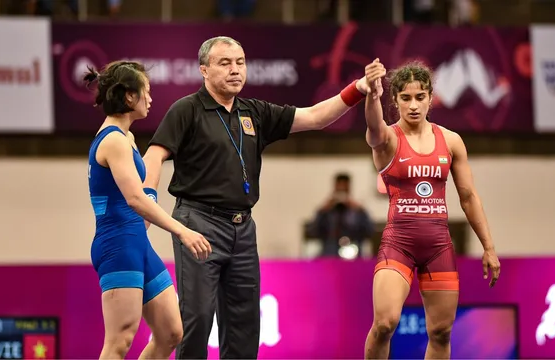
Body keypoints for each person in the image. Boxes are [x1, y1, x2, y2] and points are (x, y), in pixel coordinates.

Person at [142, 36, 372, 359]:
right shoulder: (187, 109)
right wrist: (147, 202)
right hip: (198, 223)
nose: (235, 70)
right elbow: (154, 155)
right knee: (196, 319)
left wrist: (357, 89)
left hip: (243, 228)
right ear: (204, 70)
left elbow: (317, 117)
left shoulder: (255, 112)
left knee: (245, 325)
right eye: (225, 63)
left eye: (240, 62)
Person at [361, 58, 501, 359]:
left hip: (438, 246)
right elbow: (373, 125)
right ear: (395, 101)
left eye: (420, 97)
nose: (413, 105)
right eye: (406, 98)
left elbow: (469, 197)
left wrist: (488, 246)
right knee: (385, 323)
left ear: (430, 99)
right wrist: (372, 93)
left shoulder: (451, 141)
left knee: (441, 331)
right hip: (398, 243)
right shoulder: (387, 139)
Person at [85, 60, 212, 359]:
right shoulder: (114, 141)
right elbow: (135, 199)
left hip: (136, 244)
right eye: (147, 91)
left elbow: (142, 191)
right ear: (130, 97)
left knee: (171, 332)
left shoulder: (126, 137)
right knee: (119, 341)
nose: (151, 98)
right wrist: (182, 230)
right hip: (117, 246)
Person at [308, 172, 374, 258]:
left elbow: (370, 231)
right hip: (330, 255)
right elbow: (313, 231)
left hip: (353, 255)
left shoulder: (357, 211)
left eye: (344, 190)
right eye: (339, 190)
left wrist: (360, 210)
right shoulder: (326, 211)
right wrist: (322, 210)